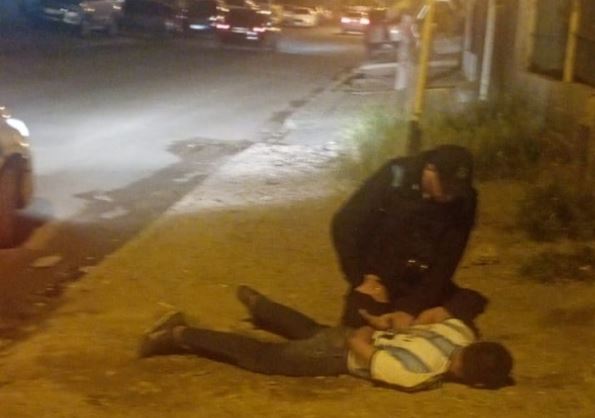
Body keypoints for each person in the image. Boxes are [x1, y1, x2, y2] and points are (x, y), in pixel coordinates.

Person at [139, 286, 513, 392]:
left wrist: (405, 326)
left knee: (312, 330)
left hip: (344, 336)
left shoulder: (461, 332)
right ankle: (179, 334)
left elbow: (434, 315)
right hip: (340, 354)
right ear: (474, 381)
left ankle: (262, 306)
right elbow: (360, 350)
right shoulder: (420, 374)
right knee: (263, 356)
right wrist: (371, 329)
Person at [331, 144, 485, 330]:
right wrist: (360, 279)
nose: (451, 195)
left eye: (457, 188)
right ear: (429, 169)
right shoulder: (395, 177)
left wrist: (410, 308)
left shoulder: (464, 201)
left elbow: (447, 261)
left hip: (421, 280)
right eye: (446, 185)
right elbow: (345, 224)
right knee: (359, 327)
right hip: (379, 275)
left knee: (467, 309)